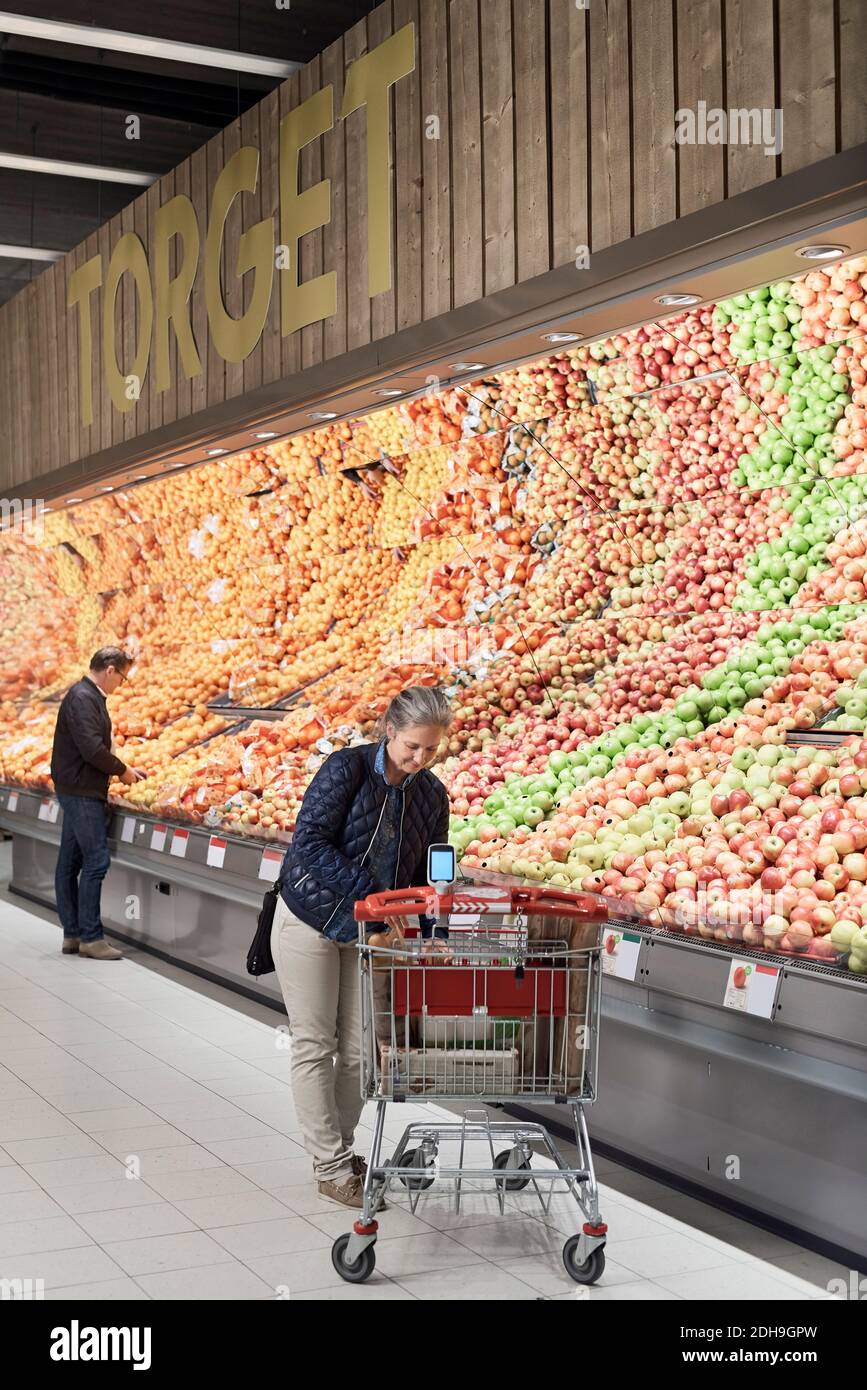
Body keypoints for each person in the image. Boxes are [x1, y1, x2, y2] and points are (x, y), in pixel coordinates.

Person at [271, 685, 452, 1209]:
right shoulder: (344, 770)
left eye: (431, 751)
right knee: (313, 1042)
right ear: (390, 731)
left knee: (357, 1051)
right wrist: (372, 896)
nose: (419, 759)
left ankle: (342, 1150)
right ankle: (329, 1164)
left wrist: (436, 930)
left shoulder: (432, 794)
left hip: (368, 932)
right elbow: (308, 845)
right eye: (411, 747)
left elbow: (436, 866)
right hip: (309, 917)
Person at [50, 647, 145, 960]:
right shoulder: (83, 698)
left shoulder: (85, 696)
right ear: (110, 670)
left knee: (70, 863)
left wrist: (120, 769)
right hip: (81, 791)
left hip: (76, 786)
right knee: (96, 861)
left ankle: (73, 934)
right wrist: (122, 770)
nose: (121, 684)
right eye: (123, 677)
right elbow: (92, 748)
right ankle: (91, 937)